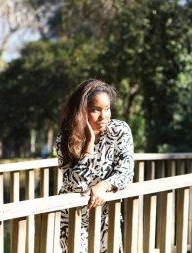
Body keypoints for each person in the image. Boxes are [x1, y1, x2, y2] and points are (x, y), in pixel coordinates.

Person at [54, 79, 134, 253]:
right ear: (81, 112)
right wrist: (89, 144)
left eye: (107, 109)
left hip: (107, 216)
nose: (103, 116)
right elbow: (74, 186)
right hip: (73, 218)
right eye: (96, 110)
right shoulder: (64, 140)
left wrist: (103, 185)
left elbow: (126, 170)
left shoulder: (120, 131)